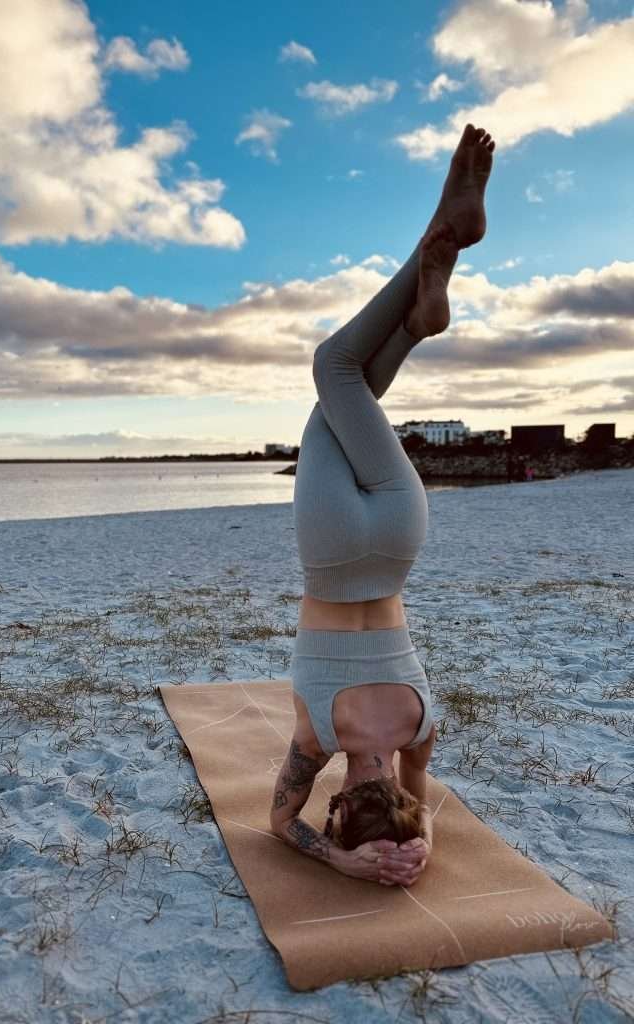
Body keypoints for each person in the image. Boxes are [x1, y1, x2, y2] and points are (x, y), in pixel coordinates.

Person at [270, 124, 496, 886]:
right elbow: (280, 823)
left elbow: (424, 808)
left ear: (398, 790)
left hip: (401, 537)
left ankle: (415, 324)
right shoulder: (316, 737)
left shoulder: (418, 734)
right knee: (332, 367)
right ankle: (441, 240)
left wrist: (418, 844)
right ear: (338, 805)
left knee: (348, 390)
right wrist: (340, 860)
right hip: (332, 553)